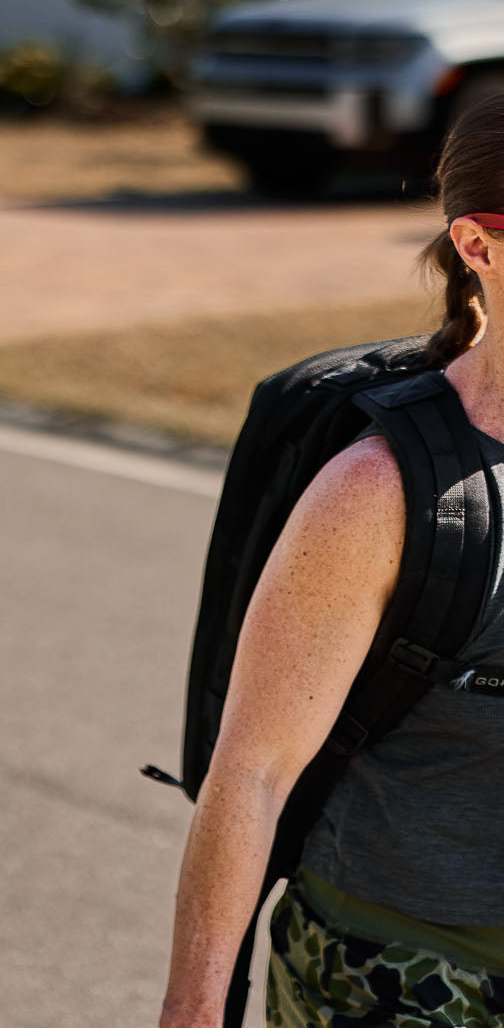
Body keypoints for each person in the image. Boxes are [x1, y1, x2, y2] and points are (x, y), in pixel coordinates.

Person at [159, 95, 504, 1028]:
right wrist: (191, 1014)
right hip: (408, 979)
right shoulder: (383, 491)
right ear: (478, 246)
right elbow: (255, 773)